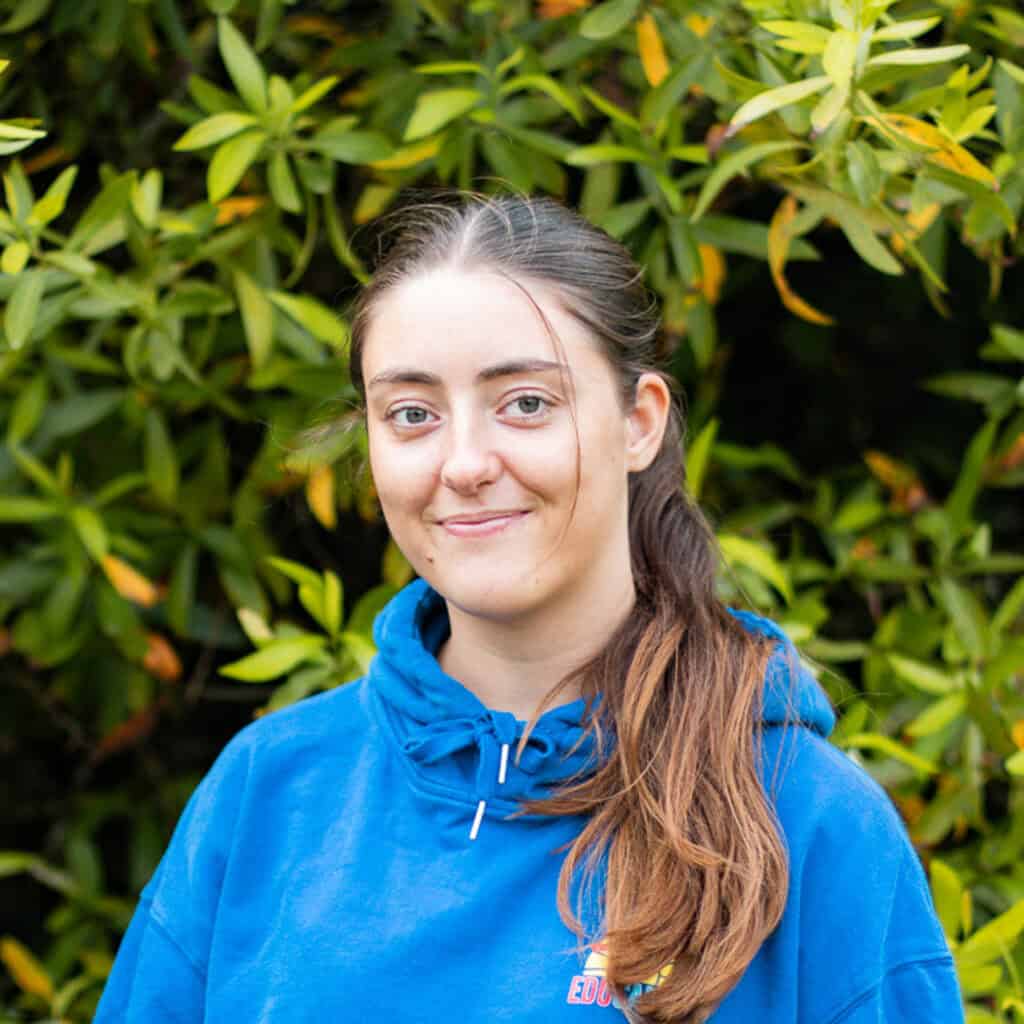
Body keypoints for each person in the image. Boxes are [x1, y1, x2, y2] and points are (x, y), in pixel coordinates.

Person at [93, 194, 963, 1023]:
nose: (464, 462)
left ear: (639, 421)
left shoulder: (804, 818)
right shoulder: (269, 791)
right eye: (411, 413)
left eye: (526, 403)